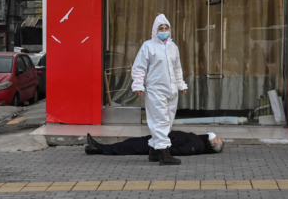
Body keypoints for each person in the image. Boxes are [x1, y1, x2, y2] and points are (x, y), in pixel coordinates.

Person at [131, 14, 188, 166]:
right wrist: (138, 85)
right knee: (160, 121)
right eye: (160, 28)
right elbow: (139, 67)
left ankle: (154, 150)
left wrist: (181, 84)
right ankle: (164, 154)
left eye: (166, 28)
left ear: (170, 30)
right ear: (154, 31)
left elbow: (177, 69)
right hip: (155, 90)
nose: (164, 30)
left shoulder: (173, 47)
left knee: (167, 121)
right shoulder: (148, 46)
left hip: (172, 90)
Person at [84, 131, 224, 157]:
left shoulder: (199, 145)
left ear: (213, 144)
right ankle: (98, 147)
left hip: (159, 144)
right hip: (160, 138)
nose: (216, 136)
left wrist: (162, 150)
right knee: (130, 143)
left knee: (129, 147)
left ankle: (97, 148)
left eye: (217, 138)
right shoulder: (200, 140)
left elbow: (181, 150)